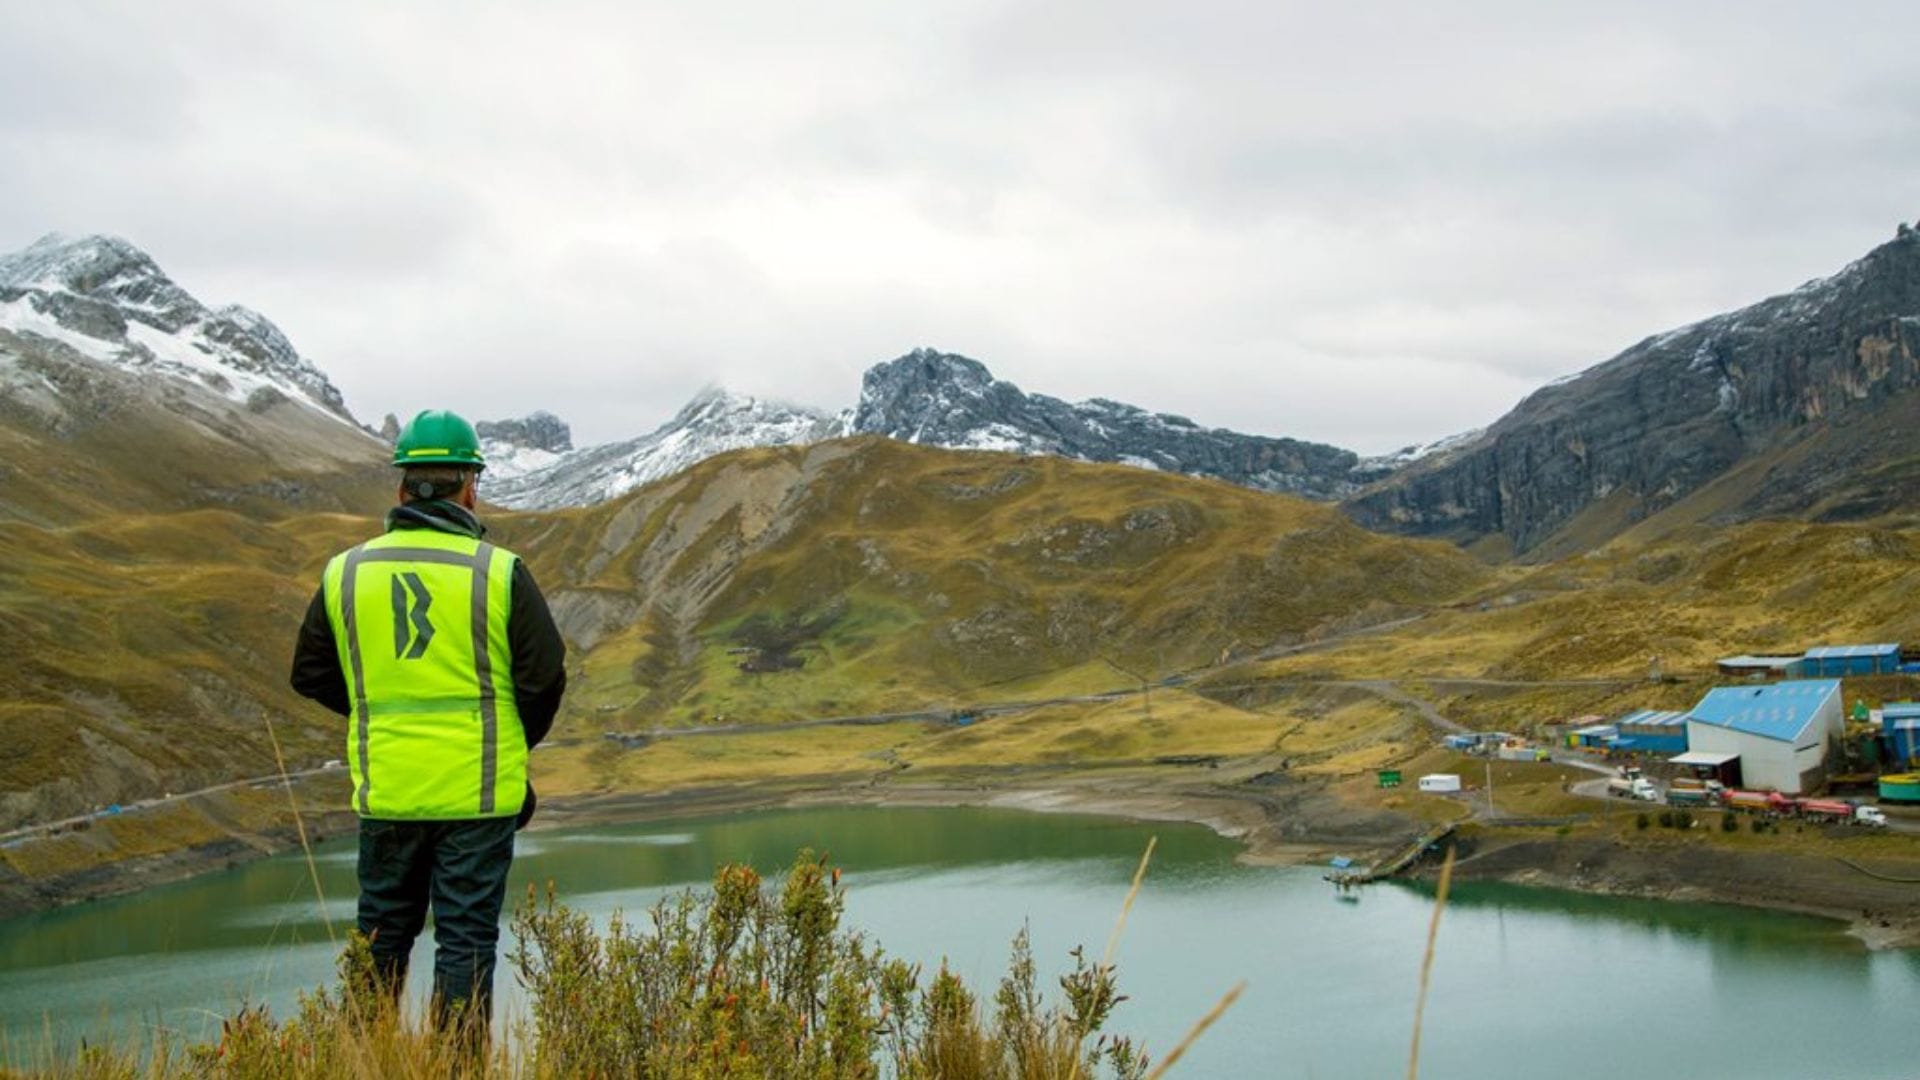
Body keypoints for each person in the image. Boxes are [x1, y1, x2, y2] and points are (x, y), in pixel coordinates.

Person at [289, 408, 567, 1042]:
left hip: (388, 791)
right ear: (470, 484)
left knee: (380, 936)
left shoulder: (345, 572)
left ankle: (364, 1059)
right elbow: (544, 676)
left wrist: (376, 710)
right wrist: (508, 747)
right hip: (477, 796)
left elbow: (309, 673)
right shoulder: (498, 572)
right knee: (465, 942)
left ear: (401, 486)